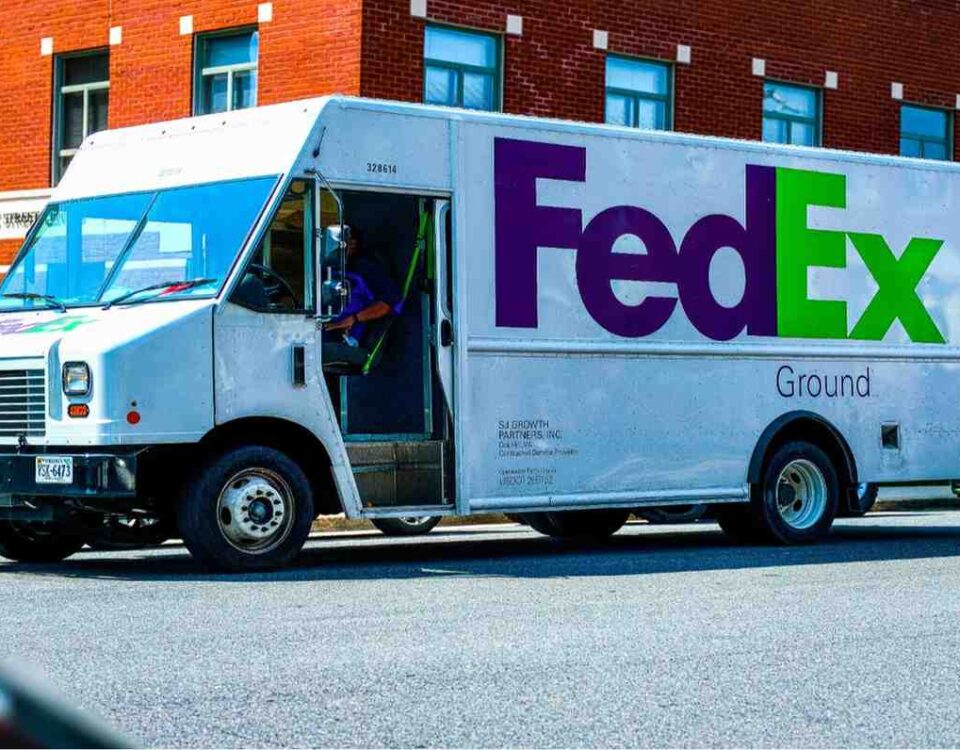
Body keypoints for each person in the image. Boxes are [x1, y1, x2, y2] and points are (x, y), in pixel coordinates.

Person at [322, 227, 403, 370]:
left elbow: (390, 302)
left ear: (353, 244)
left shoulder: (366, 269)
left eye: (344, 241)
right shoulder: (328, 268)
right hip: (317, 328)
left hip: (345, 339)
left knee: (305, 353)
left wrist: (354, 319)